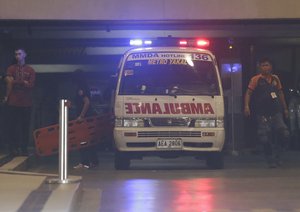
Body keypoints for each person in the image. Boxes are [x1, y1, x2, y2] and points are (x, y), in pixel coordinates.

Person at [244, 57, 289, 168]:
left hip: (276, 111)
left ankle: (278, 155)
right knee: (264, 137)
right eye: (263, 65)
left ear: (271, 66)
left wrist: (285, 108)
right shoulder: (256, 79)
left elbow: (280, 93)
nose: (265, 67)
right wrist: (246, 106)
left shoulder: (275, 79)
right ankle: (270, 158)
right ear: (259, 67)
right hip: (262, 113)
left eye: (267, 65)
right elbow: (248, 93)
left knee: (284, 133)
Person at [5, 48, 36, 156]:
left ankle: (24, 148)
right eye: (16, 54)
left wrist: (16, 82)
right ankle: (13, 148)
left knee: (25, 126)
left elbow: (31, 85)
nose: (17, 56)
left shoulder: (30, 69)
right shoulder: (11, 68)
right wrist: (23, 82)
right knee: (12, 126)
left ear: (24, 55)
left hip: (26, 103)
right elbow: (9, 82)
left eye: (19, 54)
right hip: (13, 102)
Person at [72, 71, 99, 169]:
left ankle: (85, 162)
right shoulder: (85, 86)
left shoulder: (81, 88)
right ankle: (93, 161)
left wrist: (81, 116)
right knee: (89, 140)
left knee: (82, 140)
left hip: (84, 119)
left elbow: (86, 102)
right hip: (88, 117)